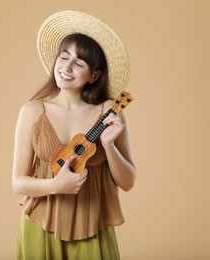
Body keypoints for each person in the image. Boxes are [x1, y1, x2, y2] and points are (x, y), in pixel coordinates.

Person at [12, 10, 137, 260]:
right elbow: (18, 182)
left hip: (93, 226)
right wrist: (56, 185)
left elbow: (128, 182)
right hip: (41, 225)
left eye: (79, 63)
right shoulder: (33, 110)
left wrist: (109, 146)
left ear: (95, 75)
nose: (66, 67)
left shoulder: (109, 113)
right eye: (64, 56)